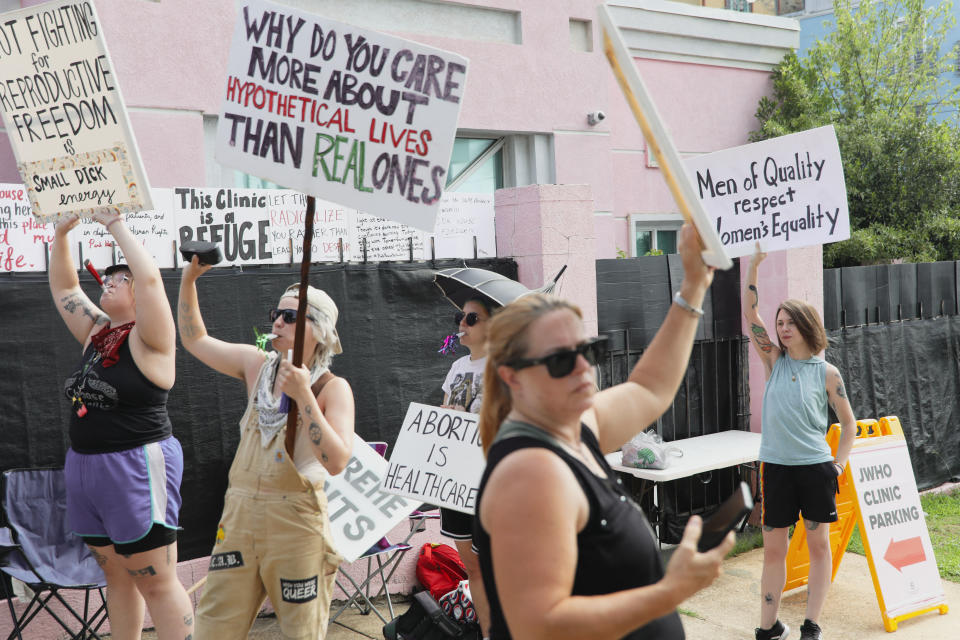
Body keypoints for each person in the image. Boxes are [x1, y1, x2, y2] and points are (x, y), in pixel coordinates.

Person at [474, 223, 734, 640]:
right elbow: (539, 625)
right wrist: (670, 591)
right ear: (513, 377)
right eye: (561, 360)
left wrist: (694, 286)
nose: (583, 369)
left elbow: (649, 387)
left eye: (588, 350)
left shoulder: (572, 430)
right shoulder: (531, 474)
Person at [178, 259, 354, 639]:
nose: (277, 322)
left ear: (319, 331)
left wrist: (303, 395)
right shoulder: (256, 364)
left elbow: (337, 461)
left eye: (290, 317)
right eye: (276, 313)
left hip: (296, 526)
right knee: (213, 627)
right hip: (239, 518)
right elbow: (195, 340)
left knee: (300, 631)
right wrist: (189, 279)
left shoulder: (332, 388)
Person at [49, 212, 194, 640]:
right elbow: (64, 288)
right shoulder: (98, 332)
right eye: (107, 276)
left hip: (135, 465)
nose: (109, 280)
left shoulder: (150, 338)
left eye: (120, 277)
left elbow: (150, 283)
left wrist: (114, 224)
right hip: (87, 466)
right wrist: (61, 233)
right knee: (118, 578)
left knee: (157, 581)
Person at [744, 244, 856, 640]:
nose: (782, 328)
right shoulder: (773, 360)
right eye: (780, 323)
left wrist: (838, 465)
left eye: (790, 322)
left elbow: (849, 423)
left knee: (818, 547)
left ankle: (812, 625)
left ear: (807, 325)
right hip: (775, 467)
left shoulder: (826, 372)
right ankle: (767, 627)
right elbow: (750, 314)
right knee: (773, 552)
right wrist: (754, 266)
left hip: (815, 469)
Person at [438, 296, 497, 635]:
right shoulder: (459, 368)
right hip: (456, 480)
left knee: (496, 565)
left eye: (471, 318)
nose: (461, 323)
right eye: (460, 317)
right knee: (472, 568)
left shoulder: (506, 368)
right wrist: (445, 415)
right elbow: (448, 414)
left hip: (491, 482)